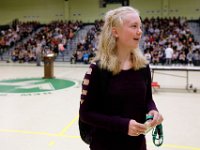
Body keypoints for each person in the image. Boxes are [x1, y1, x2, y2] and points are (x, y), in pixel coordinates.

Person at [79, 6, 163, 150]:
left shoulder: (143, 66)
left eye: (140, 26)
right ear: (115, 32)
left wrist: (153, 111)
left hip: (137, 145)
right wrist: (123, 125)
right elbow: (86, 114)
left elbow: (147, 99)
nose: (140, 31)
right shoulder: (97, 69)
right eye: (134, 26)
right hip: (104, 145)